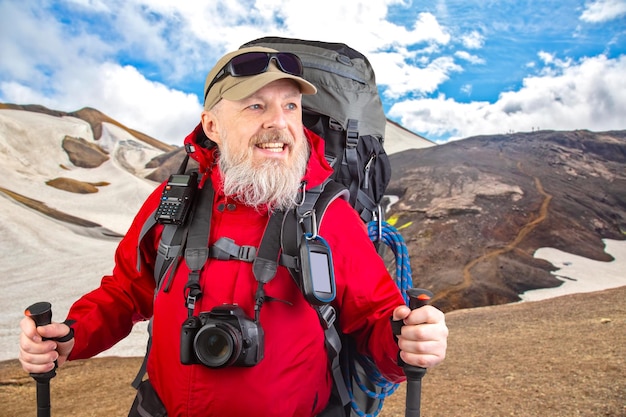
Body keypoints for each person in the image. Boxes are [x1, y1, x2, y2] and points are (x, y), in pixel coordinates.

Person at [19, 45, 448, 417]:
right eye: (255, 106)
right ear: (212, 127)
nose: (278, 123)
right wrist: (71, 335)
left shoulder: (329, 215)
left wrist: (407, 341)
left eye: (290, 106)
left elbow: (376, 320)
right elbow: (126, 292)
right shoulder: (173, 203)